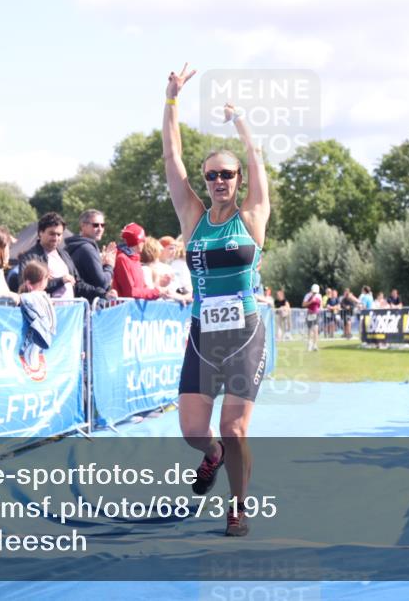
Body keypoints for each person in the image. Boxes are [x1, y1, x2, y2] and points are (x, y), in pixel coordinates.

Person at [163, 64, 270, 537]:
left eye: (227, 174)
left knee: (235, 428)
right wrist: (171, 100)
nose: (219, 181)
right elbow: (172, 157)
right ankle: (213, 456)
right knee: (193, 432)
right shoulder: (193, 217)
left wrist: (239, 120)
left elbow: (256, 156)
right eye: (212, 176)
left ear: (238, 179)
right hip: (203, 336)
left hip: (244, 334)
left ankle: (238, 507)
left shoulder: (252, 216)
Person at [18, 212, 79, 300]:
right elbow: (26, 287)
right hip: (45, 307)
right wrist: (61, 281)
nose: (56, 238)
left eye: (59, 234)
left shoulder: (65, 255)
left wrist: (99, 291)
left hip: (70, 307)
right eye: (52, 234)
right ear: (40, 233)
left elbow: (78, 282)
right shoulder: (29, 258)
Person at [65, 209, 118, 302]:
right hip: (88, 304)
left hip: (81, 302)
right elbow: (102, 283)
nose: (100, 229)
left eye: (103, 225)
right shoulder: (87, 249)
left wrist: (102, 265)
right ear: (83, 226)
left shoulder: (77, 245)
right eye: (95, 225)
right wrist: (109, 266)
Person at [113, 223, 165, 300]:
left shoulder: (135, 258)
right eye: (143, 240)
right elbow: (131, 293)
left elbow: (142, 288)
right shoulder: (122, 259)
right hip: (126, 307)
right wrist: (156, 292)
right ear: (138, 242)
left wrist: (158, 290)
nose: (144, 243)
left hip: (136, 306)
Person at [303, 284, 322, 351]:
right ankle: (309, 344)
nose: (314, 293)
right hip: (309, 313)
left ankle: (315, 345)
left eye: (315, 292)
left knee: (316, 329)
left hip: (316, 314)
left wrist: (319, 309)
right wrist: (311, 301)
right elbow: (303, 304)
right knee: (310, 330)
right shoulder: (307, 295)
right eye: (313, 292)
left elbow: (320, 305)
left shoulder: (319, 296)